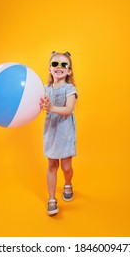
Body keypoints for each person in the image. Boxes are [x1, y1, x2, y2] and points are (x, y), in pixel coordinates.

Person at [40, 51, 78, 215]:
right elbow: (38, 105)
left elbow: (69, 109)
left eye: (64, 64)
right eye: (55, 64)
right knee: (52, 165)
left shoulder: (70, 88)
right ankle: (51, 199)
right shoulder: (45, 88)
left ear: (69, 71)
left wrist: (51, 108)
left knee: (66, 166)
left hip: (65, 131)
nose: (59, 67)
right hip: (51, 131)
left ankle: (68, 183)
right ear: (50, 68)